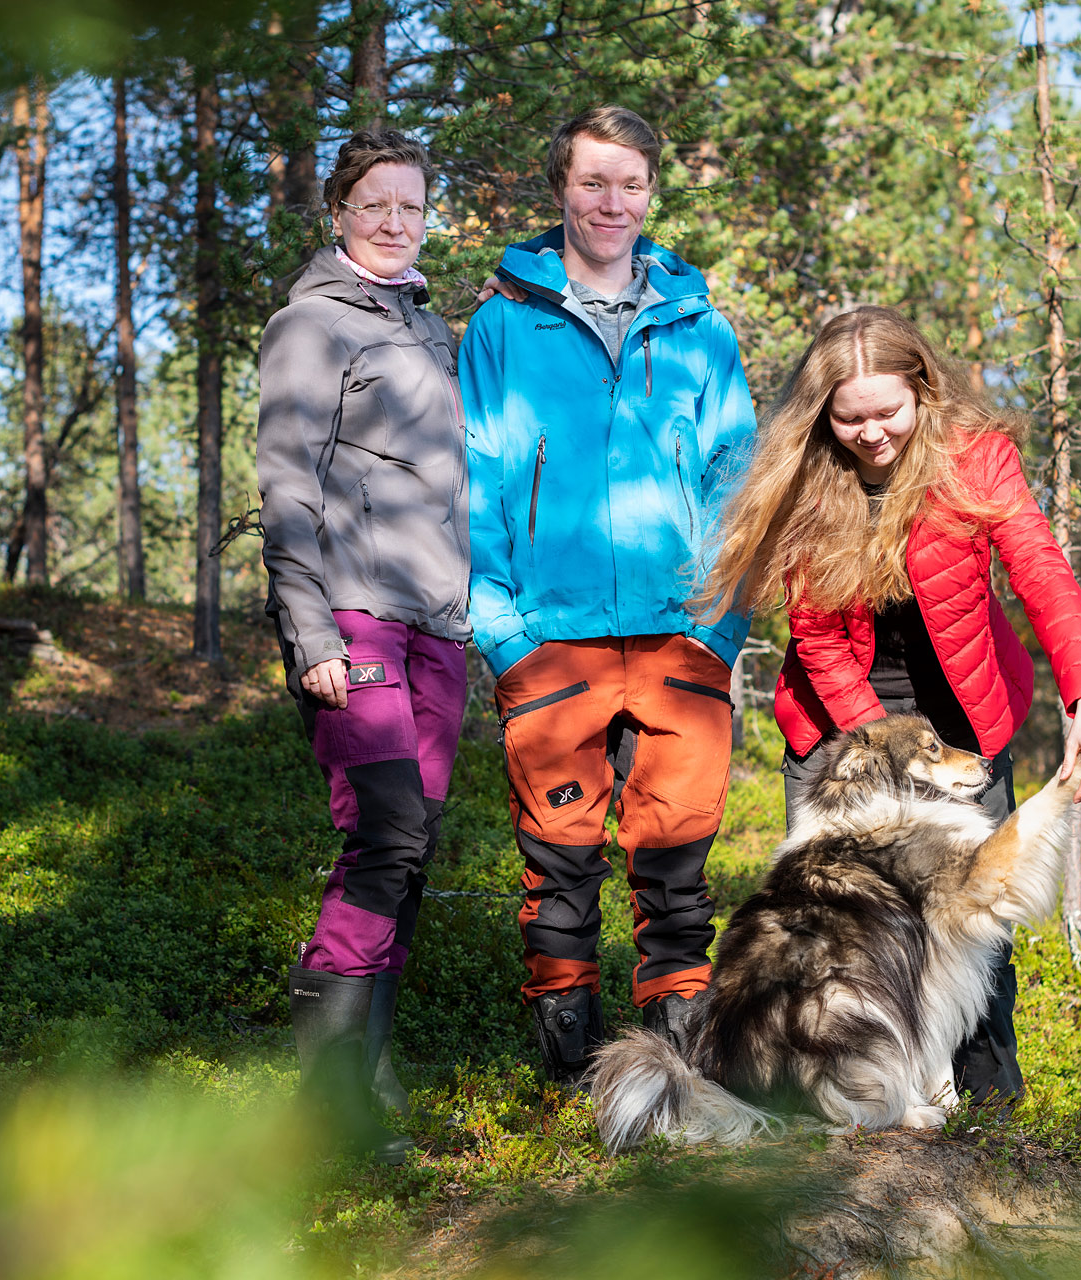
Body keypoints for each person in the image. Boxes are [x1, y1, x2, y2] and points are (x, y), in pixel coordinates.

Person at [695, 304, 1081, 1103]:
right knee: (835, 926)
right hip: (840, 726)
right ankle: (827, 1100)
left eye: (888, 412)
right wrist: (882, 760)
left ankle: (993, 1104)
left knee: (972, 915)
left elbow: (1042, 571)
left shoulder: (977, 460)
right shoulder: (809, 479)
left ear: (922, 390)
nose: (871, 434)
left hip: (964, 715)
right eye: (849, 418)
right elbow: (818, 641)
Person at [462, 105, 758, 1087]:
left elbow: (736, 480)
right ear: (559, 189)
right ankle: (569, 1085)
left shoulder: (697, 324)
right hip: (550, 637)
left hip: (680, 636)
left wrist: (718, 626)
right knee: (558, 865)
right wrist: (503, 634)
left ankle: (679, 1076)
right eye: (593, 182)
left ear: (650, 191)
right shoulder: (502, 322)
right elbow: (473, 478)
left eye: (629, 183)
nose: (611, 202)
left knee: (675, 874)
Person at [257, 130, 468, 1160]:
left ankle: (370, 1081)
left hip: (438, 626)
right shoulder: (311, 324)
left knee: (411, 852)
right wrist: (307, 630)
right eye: (374, 205)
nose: (393, 223)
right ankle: (324, 1106)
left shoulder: (427, 327)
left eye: (410, 207)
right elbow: (286, 488)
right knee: (381, 837)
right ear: (338, 212)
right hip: (353, 616)